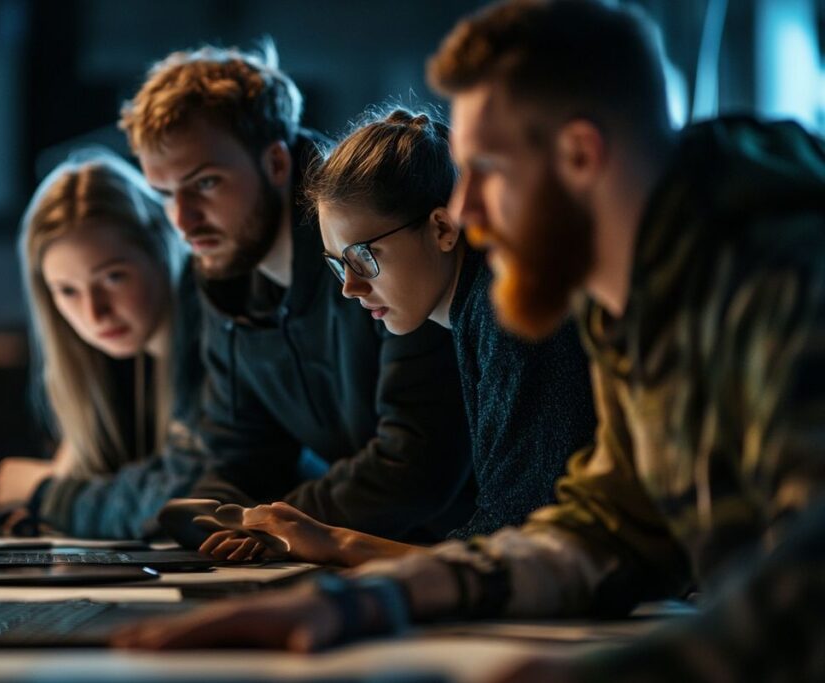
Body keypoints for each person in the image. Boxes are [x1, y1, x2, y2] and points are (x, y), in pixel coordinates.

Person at [109, 2, 825, 680]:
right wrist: (364, 601)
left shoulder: (780, 275)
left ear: (580, 154)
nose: (462, 211)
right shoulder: (636, 305)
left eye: (484, 171)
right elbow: (605, 529)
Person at [197, 107, 595, 564]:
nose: (350, 287)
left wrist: (337, 542)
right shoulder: (477, 310)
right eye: (336, 264)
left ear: (442, 228)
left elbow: (512, 543)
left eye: (363, 256)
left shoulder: (504, 312)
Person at [120, 43, 476, 548]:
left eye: (205, 183)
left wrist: (272, 526)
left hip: (450, 555)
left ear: (276, 162)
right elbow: (237, 457)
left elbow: (416, 465)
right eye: (165, 195)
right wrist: (221, 523)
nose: (182, 221)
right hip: (368, 557)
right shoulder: (224, 281)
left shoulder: (383, 246)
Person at [0, 151, 208, 539]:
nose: (94, 313)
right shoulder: (103, 366)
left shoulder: (215, 344)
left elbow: (185, 499)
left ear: (161, 248)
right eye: (67, 291)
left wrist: (44, 492)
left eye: (113, 277)